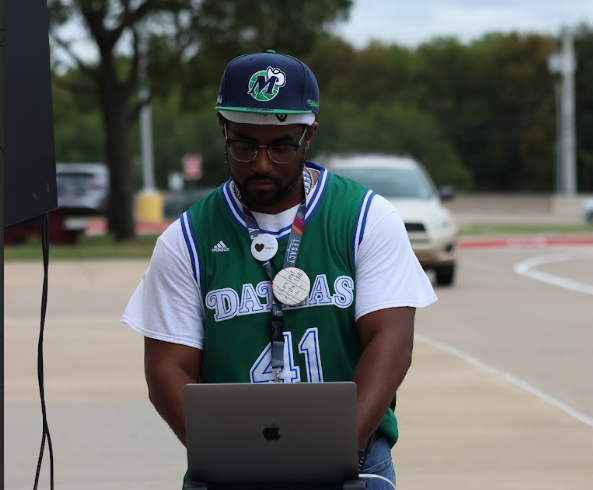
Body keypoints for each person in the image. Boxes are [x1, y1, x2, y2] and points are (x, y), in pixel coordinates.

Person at [121, 50, 437, 489]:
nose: (262, 163)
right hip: (232, 470)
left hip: (353, 460)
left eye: (281, 145)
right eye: (244, 144)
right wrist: (235, 460)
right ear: (223, 131)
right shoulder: (186, 239)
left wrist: (329, 454)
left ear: (309, 136)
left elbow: (392, 343)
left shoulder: (366, 218)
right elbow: (166, 370)